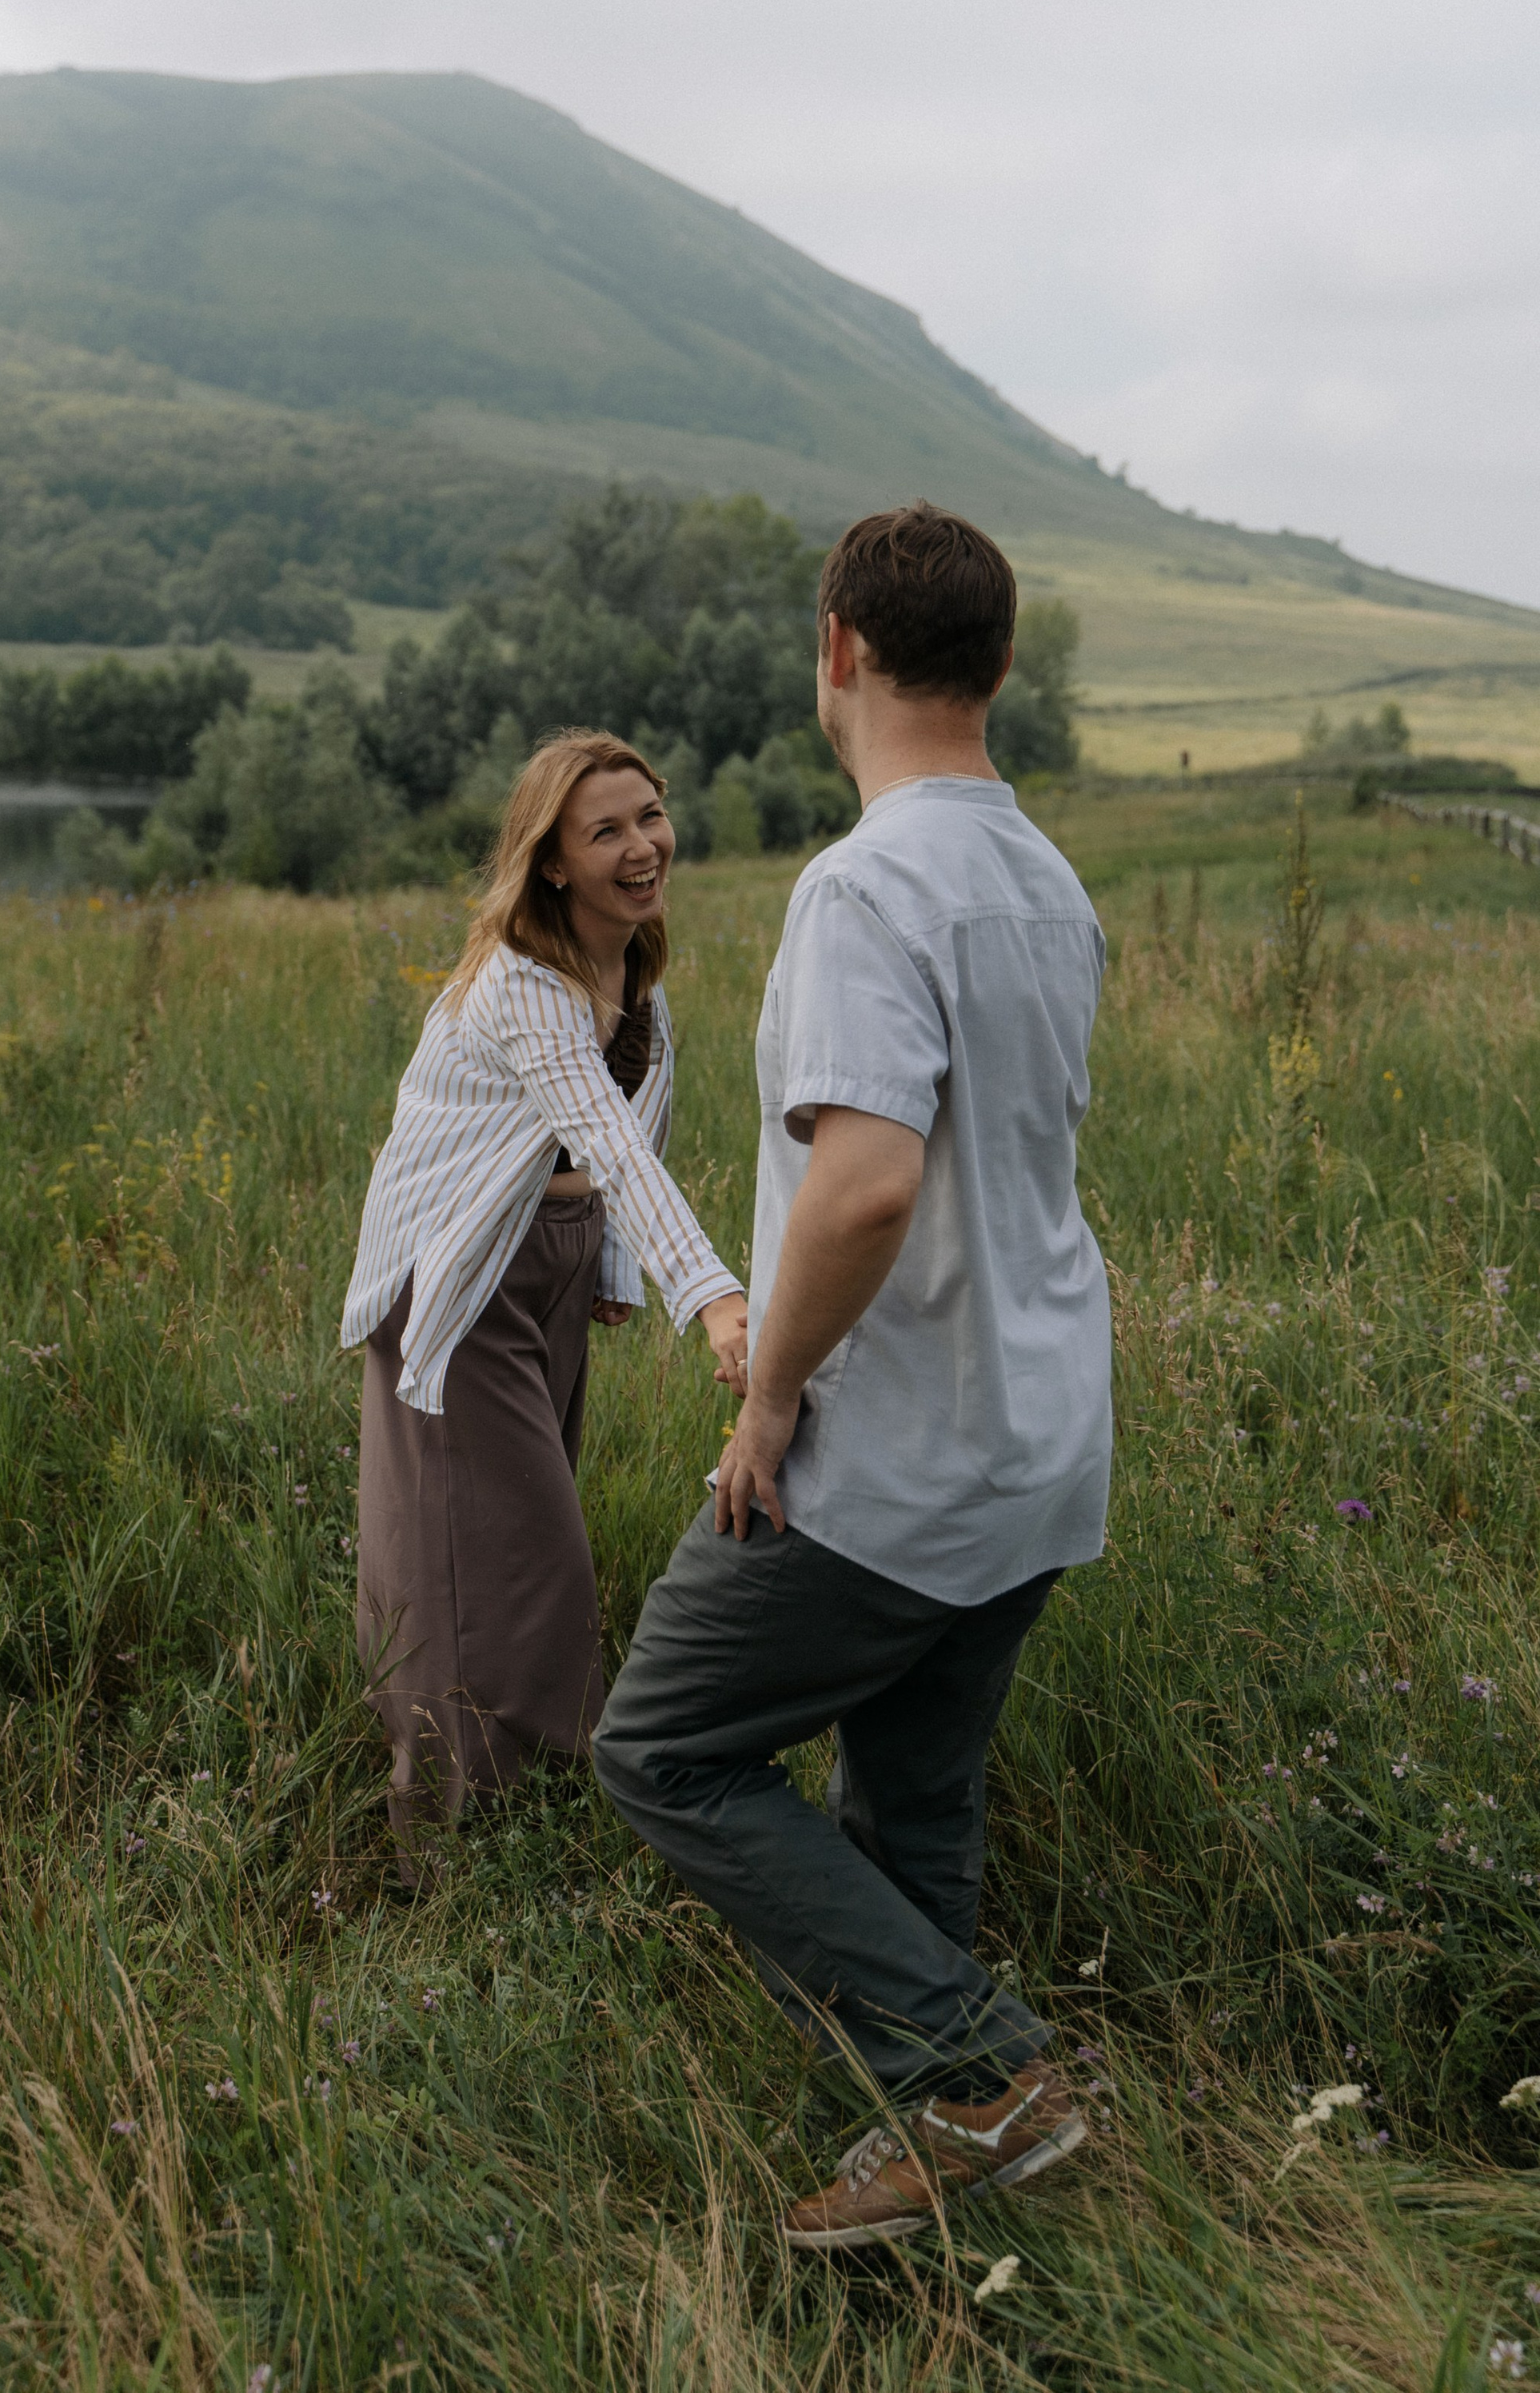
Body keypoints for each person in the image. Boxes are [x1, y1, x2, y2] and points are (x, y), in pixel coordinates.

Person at [592, 504, 1112, 2250]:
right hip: (1038, 1445)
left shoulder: (865, 881)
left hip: (898, 1456)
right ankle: (952, 2173)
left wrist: (764, 1401)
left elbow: (868, 1180)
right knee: (912, 1807)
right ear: (1002, 663)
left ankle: (982, 2065)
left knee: (662, 1747)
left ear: (835, 651)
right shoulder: (1042, 874)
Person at [341, 729, 750, 1881]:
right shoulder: (523, 987)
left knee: (489, 1548)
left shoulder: (635, 977)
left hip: (550, 1266)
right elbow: (614, 1143)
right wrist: (714, 1302)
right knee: (514, 1559)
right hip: (463, 1274)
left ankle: (534, 1809)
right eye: (604, 830)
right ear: (552, 861)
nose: (641, 847)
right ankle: (452, 1838)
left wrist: (612, 1273)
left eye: (650, 817)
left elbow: (628, 1137)